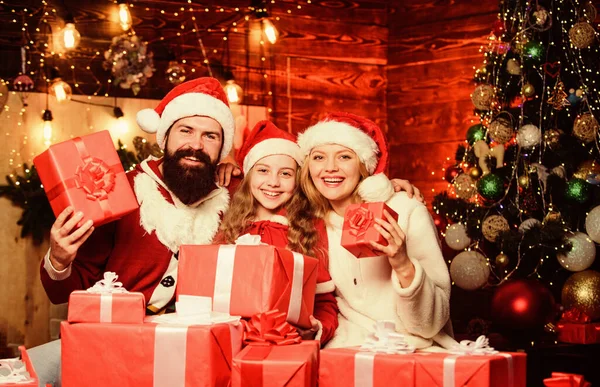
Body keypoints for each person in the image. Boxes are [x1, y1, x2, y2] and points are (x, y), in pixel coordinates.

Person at [31, 77, 238, 386]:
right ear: (165, 137)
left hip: (194, 354)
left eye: (210, 136)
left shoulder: (235, 197)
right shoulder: (118, 188)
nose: (196, 145)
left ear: (222, 148)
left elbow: (275, 171)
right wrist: (59, 259)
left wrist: (238, 162)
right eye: (186, 131)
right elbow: (64, 292)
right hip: (117, 348)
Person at [297, 112, 455, 350]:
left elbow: (431, 324)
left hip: (415, 349)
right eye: (319, 157)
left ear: (363, 166)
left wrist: (402, 263)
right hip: (348, 348)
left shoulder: (405, 210)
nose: (330, 168)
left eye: (344, 157)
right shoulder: (313, 225)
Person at [215, 120, 339, 345]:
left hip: (287, 343)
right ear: (249, 175)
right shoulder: (226, 222)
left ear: (298, 180)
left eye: (285, 174)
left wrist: (316, 328)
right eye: (263, 171)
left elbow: (324, 303)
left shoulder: (310, 229)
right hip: (231, 342)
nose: (273, 182)